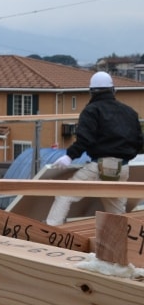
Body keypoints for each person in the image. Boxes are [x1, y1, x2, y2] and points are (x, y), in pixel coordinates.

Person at [46, 71, 143, 225]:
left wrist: (69, 156)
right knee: (116, 211)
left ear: (91, 91)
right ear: (113, 90)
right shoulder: (130, 112)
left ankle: (50, 232)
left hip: (100, 166)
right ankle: (121, 242)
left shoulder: (92, 110)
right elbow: (139, 142)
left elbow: (85, 139)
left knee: (65, 194)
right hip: (122, 168)